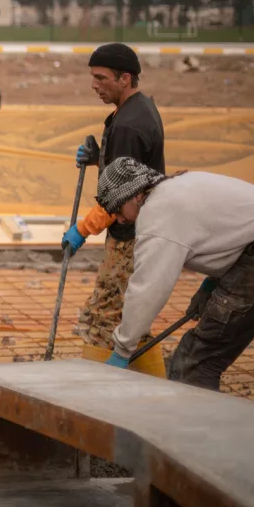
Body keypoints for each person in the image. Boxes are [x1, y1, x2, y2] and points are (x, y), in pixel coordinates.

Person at [93, 158, 254, 390]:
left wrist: (122, 349)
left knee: (194, 364)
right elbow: (238, 231)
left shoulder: (158, 214)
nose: (118, 218)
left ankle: (199, 426)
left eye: (117, 208)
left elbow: (148, 289)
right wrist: (210, 286)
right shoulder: (178, 186)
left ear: (136, 195)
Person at [61, 43, 166, 370]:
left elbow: (123, 195)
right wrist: (101, 160)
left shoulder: (128, 126)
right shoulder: (138, 110)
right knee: (130, 315)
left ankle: (95, 399)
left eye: (101, 78)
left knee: (104, 317)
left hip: (129, 237)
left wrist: (82, 229)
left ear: (125, 78)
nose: (94, 85)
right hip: (142, 229)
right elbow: (132, 171)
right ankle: (151, 388)